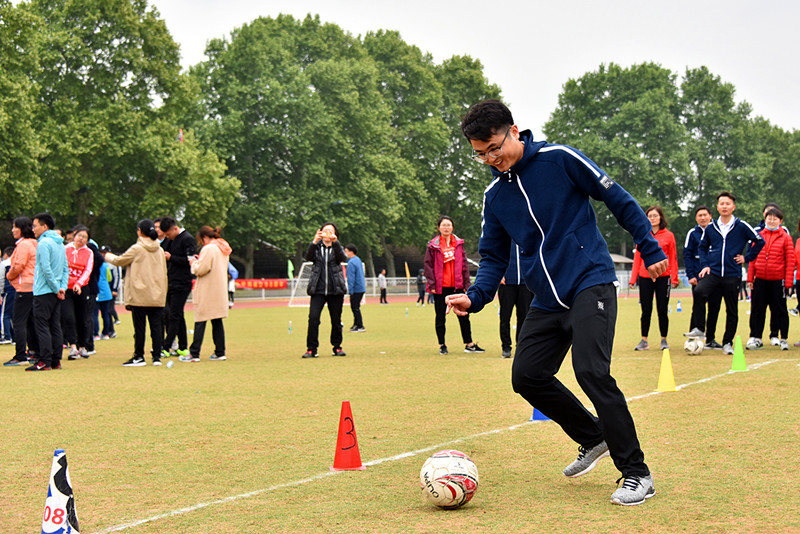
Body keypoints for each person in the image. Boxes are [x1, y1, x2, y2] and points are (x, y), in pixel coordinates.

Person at [448, 100, 669, 505]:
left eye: (494, 148)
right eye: (480, 154)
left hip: (590, 281)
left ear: (514, 132)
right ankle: (593, 436)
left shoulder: (559, 158)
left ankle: (637, 473)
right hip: (547, 298)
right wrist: (476, 296)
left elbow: (618, 199)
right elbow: (493, 256)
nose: (491, 159)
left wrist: (649, 246)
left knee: (591, 372)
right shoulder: (495, 197)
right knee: (526, 376)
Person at [687, 191, 764, 355]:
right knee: (699, 291)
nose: (724, 206)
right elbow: (702, 247)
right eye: (721, 204)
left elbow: (759, 241)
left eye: (727, 204)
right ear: (717, 207)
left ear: (733, 207)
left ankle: (727, 342)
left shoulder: (741, 226)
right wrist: (705, 264)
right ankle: (700, 328)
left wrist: (747, 258)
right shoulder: (711, 227)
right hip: (714, 272)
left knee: (731, 310)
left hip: (732, 274)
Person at [103, 219, 167, 367]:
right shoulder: (160, 250)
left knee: (139, 327)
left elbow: (119, 261)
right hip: (157, 293)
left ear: (139, 231)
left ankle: (139, 356)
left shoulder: (137, 248)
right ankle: (157, 356)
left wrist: (107, 255)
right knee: (156, 327)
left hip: (140, 293)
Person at [424, 215, 484, 355]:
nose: (446, 228)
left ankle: (469, 344)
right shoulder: (433, 246)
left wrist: (466, 284)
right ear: (438, 227)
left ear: (452, 227)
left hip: (457, 286)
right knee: (440, 316)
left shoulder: (458, 244)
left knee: (464, 315)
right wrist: (432, 283)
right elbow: (428, 266)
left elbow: (464, 266)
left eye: (449, 225)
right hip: (440, 287)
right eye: (443, 225)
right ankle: (442, 345)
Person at [629, 206, 679, 351]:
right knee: (646, 310)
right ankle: (644, 340)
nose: (652, 218)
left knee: (662, 309)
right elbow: (637, 258)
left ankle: (664, 339)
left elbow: (673, 257)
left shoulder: (669, 236)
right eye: (649, 216)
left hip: (663, 277)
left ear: (661, 218)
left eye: (655, 216)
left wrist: (674, 278)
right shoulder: (643, 235)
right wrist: (633, 279)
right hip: (645, 277)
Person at [746, 206, 793, 350]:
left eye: (775, 219)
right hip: (760, 279)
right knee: (757, 309)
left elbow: (790, 260)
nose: (772, 221)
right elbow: (752, 258)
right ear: (765, 219)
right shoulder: (758, 236)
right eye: (769, 219)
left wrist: (788, 281)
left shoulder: (785, 237)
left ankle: (783, 338)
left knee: (780, 310)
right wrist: (750, 278)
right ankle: (756, 337)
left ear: (780, 221)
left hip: (778, 280)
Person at [183, 226, 231, 362]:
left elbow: (202, 269)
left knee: (200, 319)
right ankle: (220, 351)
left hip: (207, 288)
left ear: (204, 237)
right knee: (217, 320)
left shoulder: (209, 248)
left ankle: (194, 353)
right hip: (219, 289)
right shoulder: (223, 247)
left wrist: (193, 263)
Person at [28, 213, 69, 371]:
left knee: (42, 326)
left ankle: (44, 360)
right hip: (55, 291)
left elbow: (45, 269)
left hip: (44, 291)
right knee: (54, 325)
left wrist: (56, 288)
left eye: (35, 226)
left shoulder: (44, 243)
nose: (33, 229)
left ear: (44, 226)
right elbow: (65, 269)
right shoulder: (60, 244)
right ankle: (55, 360)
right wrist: (61, 288)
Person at [302, 223, 347, 358]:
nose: (328, 233)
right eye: (325, 230)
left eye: (331, 231)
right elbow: (308, 257)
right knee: (313, 318)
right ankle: (311, 349)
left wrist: (336, 242)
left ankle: (337, 347)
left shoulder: (337, 248)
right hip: (318, 290)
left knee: (336, 320)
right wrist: (315, 241)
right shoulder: (316, 248)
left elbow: (342, 258)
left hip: (335, 290)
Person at [683, 206, 723, 349]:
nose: (702, 218)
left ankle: (710, 339)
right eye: (699, 215)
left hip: (716, 275)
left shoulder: (718, 231)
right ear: (696, 218)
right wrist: (691, 275)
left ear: (710, 216)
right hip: (698, 276)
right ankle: (693, 338)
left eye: (705, 215)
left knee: (714, 307)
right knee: (698, 306)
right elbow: (687, 255)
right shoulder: (692, 233)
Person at [4, 217, 39, 366]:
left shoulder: (23, 244)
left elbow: (18, 265)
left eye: (15, 227)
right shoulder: (34, 243)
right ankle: (34, 352)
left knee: (18, 322)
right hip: (34, 287)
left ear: (22, 229)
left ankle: (20, 355)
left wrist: (9, 276)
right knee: (31, 322)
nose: (12, 230)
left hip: (24, 287)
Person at [159, 216, 196, 359]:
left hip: (182, 282)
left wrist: (171, 258)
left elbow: (190, 261)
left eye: (168, 234)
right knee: (177, 314)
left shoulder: (187, 239)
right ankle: (183, 347)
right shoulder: (170, 240)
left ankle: (166, 346)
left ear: (175, 228)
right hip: (171, 281)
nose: (168, 237)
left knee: (174, 315)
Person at [62, 225, 94, 360]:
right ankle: (73, 347)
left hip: (81, 288)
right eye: (79, 235)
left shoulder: (89, 252)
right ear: (74, 236)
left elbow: (88, 270)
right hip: (66, 289)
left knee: (82, 318)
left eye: (84, 237)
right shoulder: (65, 249)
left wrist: (79, 283)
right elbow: (62, 267)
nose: (81, 239)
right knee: (68, 317)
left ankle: (83, 346)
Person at [498, 242, 533, 358]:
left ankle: (521, 345)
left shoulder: (526, 237)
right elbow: (496, 257)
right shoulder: (504, 238)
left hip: (525, 284)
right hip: (507, 284)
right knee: (505, 317)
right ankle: (506, 346)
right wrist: (499, 274)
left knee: (524, 317)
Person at [344, 244, 366, 332]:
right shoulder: (358, 260)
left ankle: (360, 325)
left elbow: (351, 278)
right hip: (361, 287)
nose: (345, 253)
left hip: (356, 289)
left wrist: (351, 290)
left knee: (355, 307)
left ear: (351, 252)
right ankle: (356, 324)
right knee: (356, 307)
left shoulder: (351, 263)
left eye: (346, 251)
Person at [1, 246, 15, 344]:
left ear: (6, 254)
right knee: (14, 315)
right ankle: (14, 337)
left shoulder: (4, 264)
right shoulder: (17, 262)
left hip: (8, 290)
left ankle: (7, 336)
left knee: (5, 315)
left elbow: (1, 279)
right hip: (19, 290)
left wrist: (1, 293)